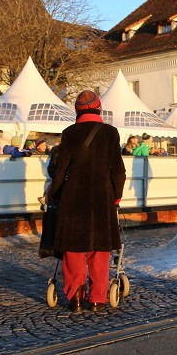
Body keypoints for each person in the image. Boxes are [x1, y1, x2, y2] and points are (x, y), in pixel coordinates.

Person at [49, 90, 126, 311]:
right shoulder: (110, 133)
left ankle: (75, 297)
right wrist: (116, 194)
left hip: (73, 198)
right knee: (100, 250)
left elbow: (60, 168)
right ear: (99, 108)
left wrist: (55, 192)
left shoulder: (69, 133)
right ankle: (97, 299)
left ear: (77, 110)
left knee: (73, 248)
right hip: (102, 197)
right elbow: (118, 170)